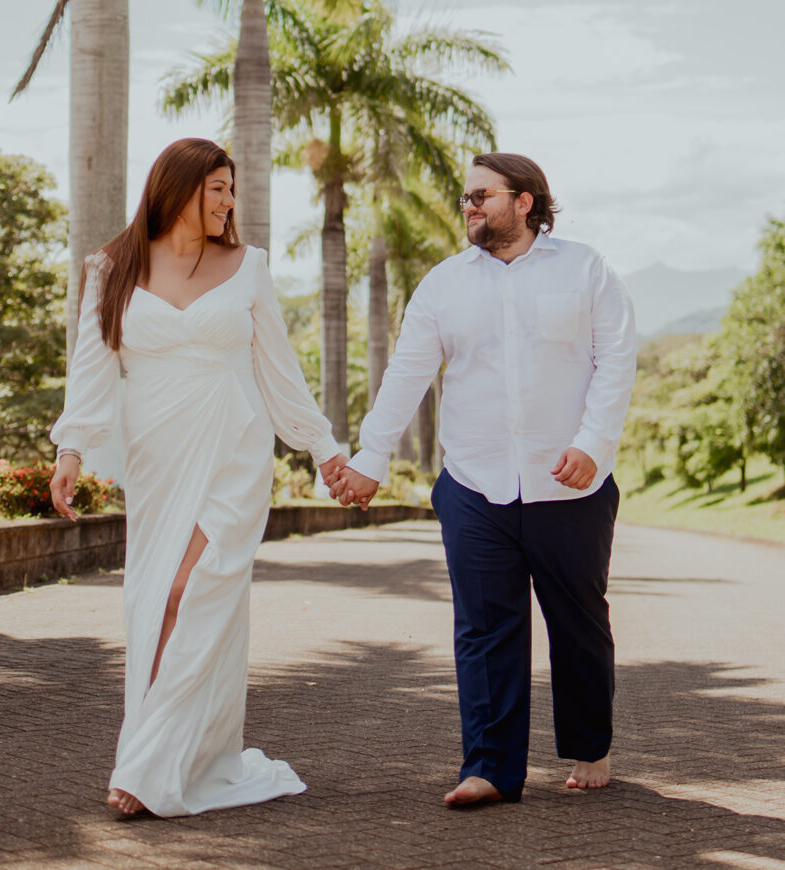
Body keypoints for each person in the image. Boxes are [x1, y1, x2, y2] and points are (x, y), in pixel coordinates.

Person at [49, 138, 346, 817]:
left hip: (233, 452)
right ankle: (172, 755)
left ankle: (143, 766)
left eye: (230, 189)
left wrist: (321, 447)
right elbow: (92, 369)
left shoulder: (248, 267)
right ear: (177, 188)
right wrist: (71, 450)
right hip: (157, 459)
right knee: (152, 603)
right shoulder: (112, 266)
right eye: (216, 188)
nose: (228, 201)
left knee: (192, 588)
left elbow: (277, 369)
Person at [329, 153, 636, 805]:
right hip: (472, 484)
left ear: (524, 201)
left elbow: (615, 361)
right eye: (463, 197)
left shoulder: (584, 269)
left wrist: (591, 443)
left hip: (571, 486)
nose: (467, 205)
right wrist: (370, 459)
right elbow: (406, 375)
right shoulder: (443, 284)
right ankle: (489, 767)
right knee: (483, 627)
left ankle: (589, 746)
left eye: (480, 195)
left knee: (578, 623)